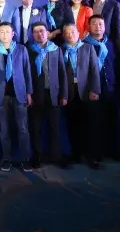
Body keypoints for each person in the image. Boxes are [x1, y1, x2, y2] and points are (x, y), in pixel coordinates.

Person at [0, 22, 33, 172]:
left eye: (8, 31)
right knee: (4, 130)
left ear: (13, 33)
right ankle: (6, 159)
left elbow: (27, 72)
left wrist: (29, 93)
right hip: (2, 96)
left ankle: (25, 159)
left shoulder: (21, 49)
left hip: (20, 94)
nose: (5, 34)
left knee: (23, 128)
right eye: (2, 32)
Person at [27, 22, 69, 169]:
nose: (39, 34)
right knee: (36, 128)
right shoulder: (29, 50)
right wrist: (28, 94)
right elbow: (26, 74)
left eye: (42, 31)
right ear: (33, 35)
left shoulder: (56, 49)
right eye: (36, 32)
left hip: (54, 94)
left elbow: (62, 73)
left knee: (54, 127)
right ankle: (37, 156)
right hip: (35, 95)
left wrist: (64, 94)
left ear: (47, 33)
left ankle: (56, 156)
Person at [83, 14, 120, 160]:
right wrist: (90, 89)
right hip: (93, 91)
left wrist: (119, 87)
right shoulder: (84, 45)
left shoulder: (112, 44)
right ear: (89, 26)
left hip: (112, 89)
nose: (98, 27)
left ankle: (113, 152)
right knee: (94, 124)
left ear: (105, 26)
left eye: (100, 24)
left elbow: (118, 65)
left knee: (113, 121)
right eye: (94, 24)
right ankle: (95, 155)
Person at [61, 24, 101, 169]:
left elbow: (94, 70)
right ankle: (75, 154)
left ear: (78, 33)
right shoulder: (60, 50)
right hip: (69, 93)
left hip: (87, 92)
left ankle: (92, 156)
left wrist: (95, 90)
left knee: (90, 125)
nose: (70, 35)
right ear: (63, 35)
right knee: (72, 125)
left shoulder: (88, 48)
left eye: (73, 32)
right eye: (67, 33)